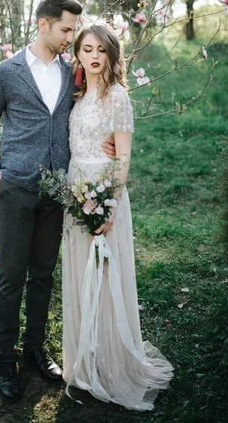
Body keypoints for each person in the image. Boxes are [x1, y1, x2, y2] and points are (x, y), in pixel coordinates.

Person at [0, 0, 114, 403]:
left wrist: (106, 143)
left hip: (58, 191)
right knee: (11, 277)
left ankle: (35, 348)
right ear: (43, 24)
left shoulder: (72, 71)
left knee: (43, 274)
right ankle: (6, 359)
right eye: (66, 30)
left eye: (74, 29)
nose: (71, 37)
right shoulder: (6, 72)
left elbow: (95, 108)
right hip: (15, 188)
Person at [62, 24, 174, 411]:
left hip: (104, 190)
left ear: (111, 55)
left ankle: (112, 361)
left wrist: (108, 202)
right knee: (81, 272)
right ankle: (86, 358)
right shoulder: (77, 94)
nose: (93, 56)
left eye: (101, 50)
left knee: (106, 272)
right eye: (86, 49)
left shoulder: (118, 97)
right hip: (76, 188)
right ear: (78, 53)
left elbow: (123, 157)